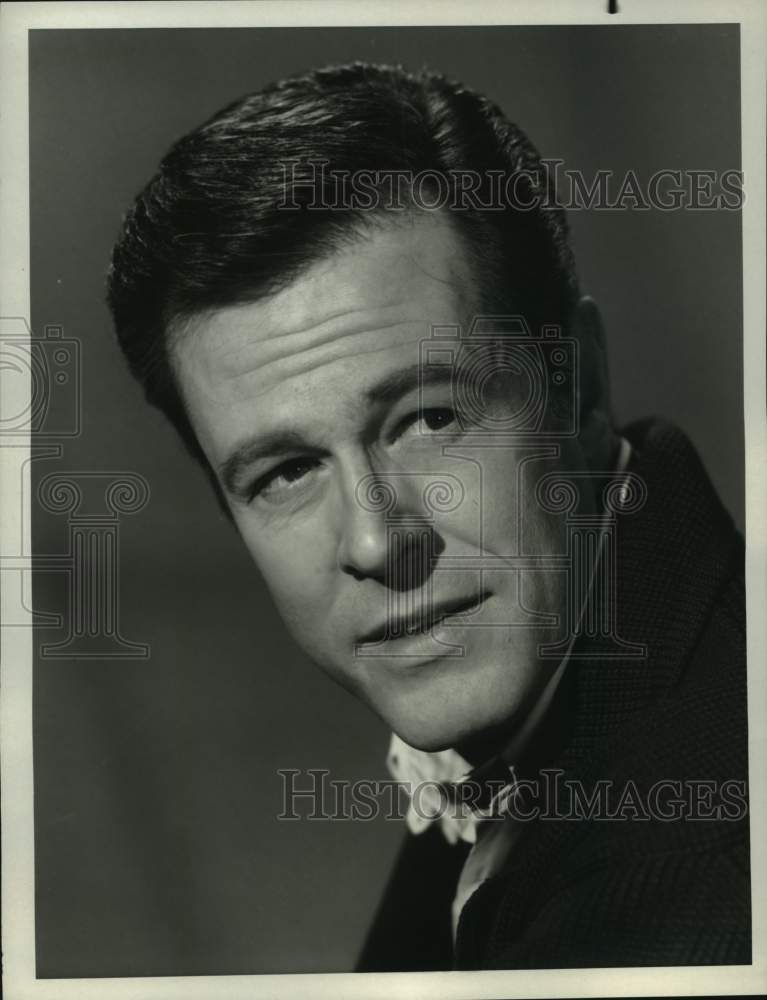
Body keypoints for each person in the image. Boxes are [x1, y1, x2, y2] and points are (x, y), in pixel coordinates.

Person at [106, 62, 750, 969]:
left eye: (429, 420)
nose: (376, 542)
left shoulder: (705, 893)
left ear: (580, 389)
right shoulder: (544, 727)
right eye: (287, 472)